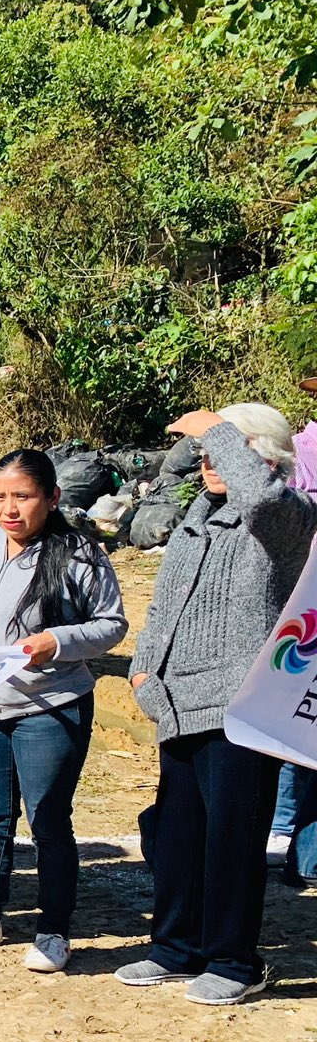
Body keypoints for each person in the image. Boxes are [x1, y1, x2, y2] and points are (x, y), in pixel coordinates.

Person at [123, 404, 317, 1005]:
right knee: (179, 833)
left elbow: (259, 498)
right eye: (206, 449)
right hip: (178, 697)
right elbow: (165, 602)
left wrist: (217, 428)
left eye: (222, 448)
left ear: (261, 454)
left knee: (233, 837)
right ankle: (176, 947)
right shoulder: (197, 517)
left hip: (239, 703)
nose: (207, 460)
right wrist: (142, 665)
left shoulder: (286, 517)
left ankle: (235, 961)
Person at [0, 449, 128, 971]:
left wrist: (56, 642)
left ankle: (54, 929)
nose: (9, 508)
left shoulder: (79, 554)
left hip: (50, 706)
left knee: (48, 820)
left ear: (52, 497)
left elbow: (111, 624)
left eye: (23, 496)